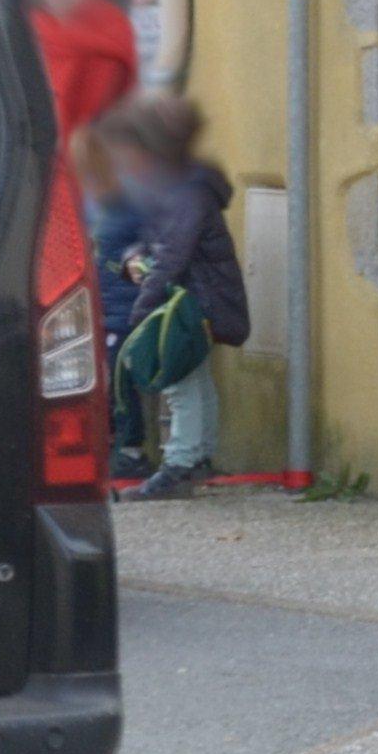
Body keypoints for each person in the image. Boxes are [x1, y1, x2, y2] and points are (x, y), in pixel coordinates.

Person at [81, 89, 249, 500]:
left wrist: (141, 311)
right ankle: (197, 457)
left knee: (180, 382)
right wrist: (134, 258)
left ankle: (181, 464)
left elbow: (173, 256)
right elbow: (157, 244)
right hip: (190, 298)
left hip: (190, 303)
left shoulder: (186, 195)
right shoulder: (176, 190)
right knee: (196, 380)